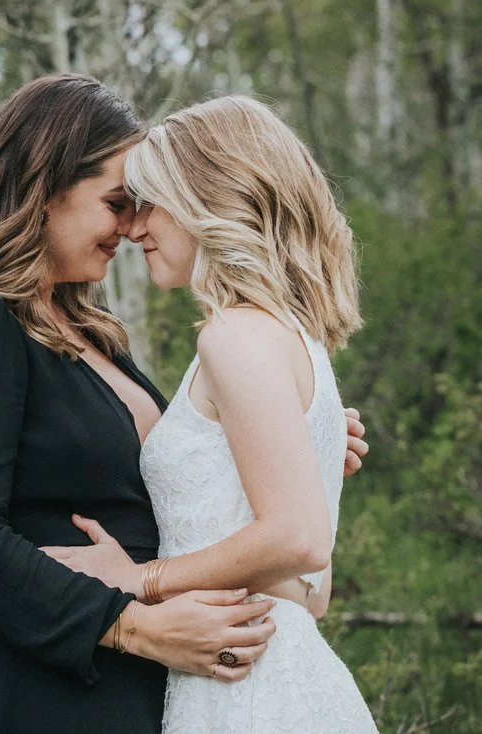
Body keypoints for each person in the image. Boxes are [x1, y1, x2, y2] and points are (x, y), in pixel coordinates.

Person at [0, 75, 368, 734]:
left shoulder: (96, 338)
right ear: (45, 187)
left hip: (168, 687)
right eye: (117, 202)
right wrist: (132, 626)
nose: (130, 226)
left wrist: (289, 439)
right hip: (56, 695)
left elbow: (187, 507)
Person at [42, 96, 378, 732]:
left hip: (248, 694)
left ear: (209, 199)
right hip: (267, 666)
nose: (135, 229)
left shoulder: (234, 337)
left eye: (151, 204)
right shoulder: (292, 339)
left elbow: (301, 538)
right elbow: (312, 595)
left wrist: (141, 579)